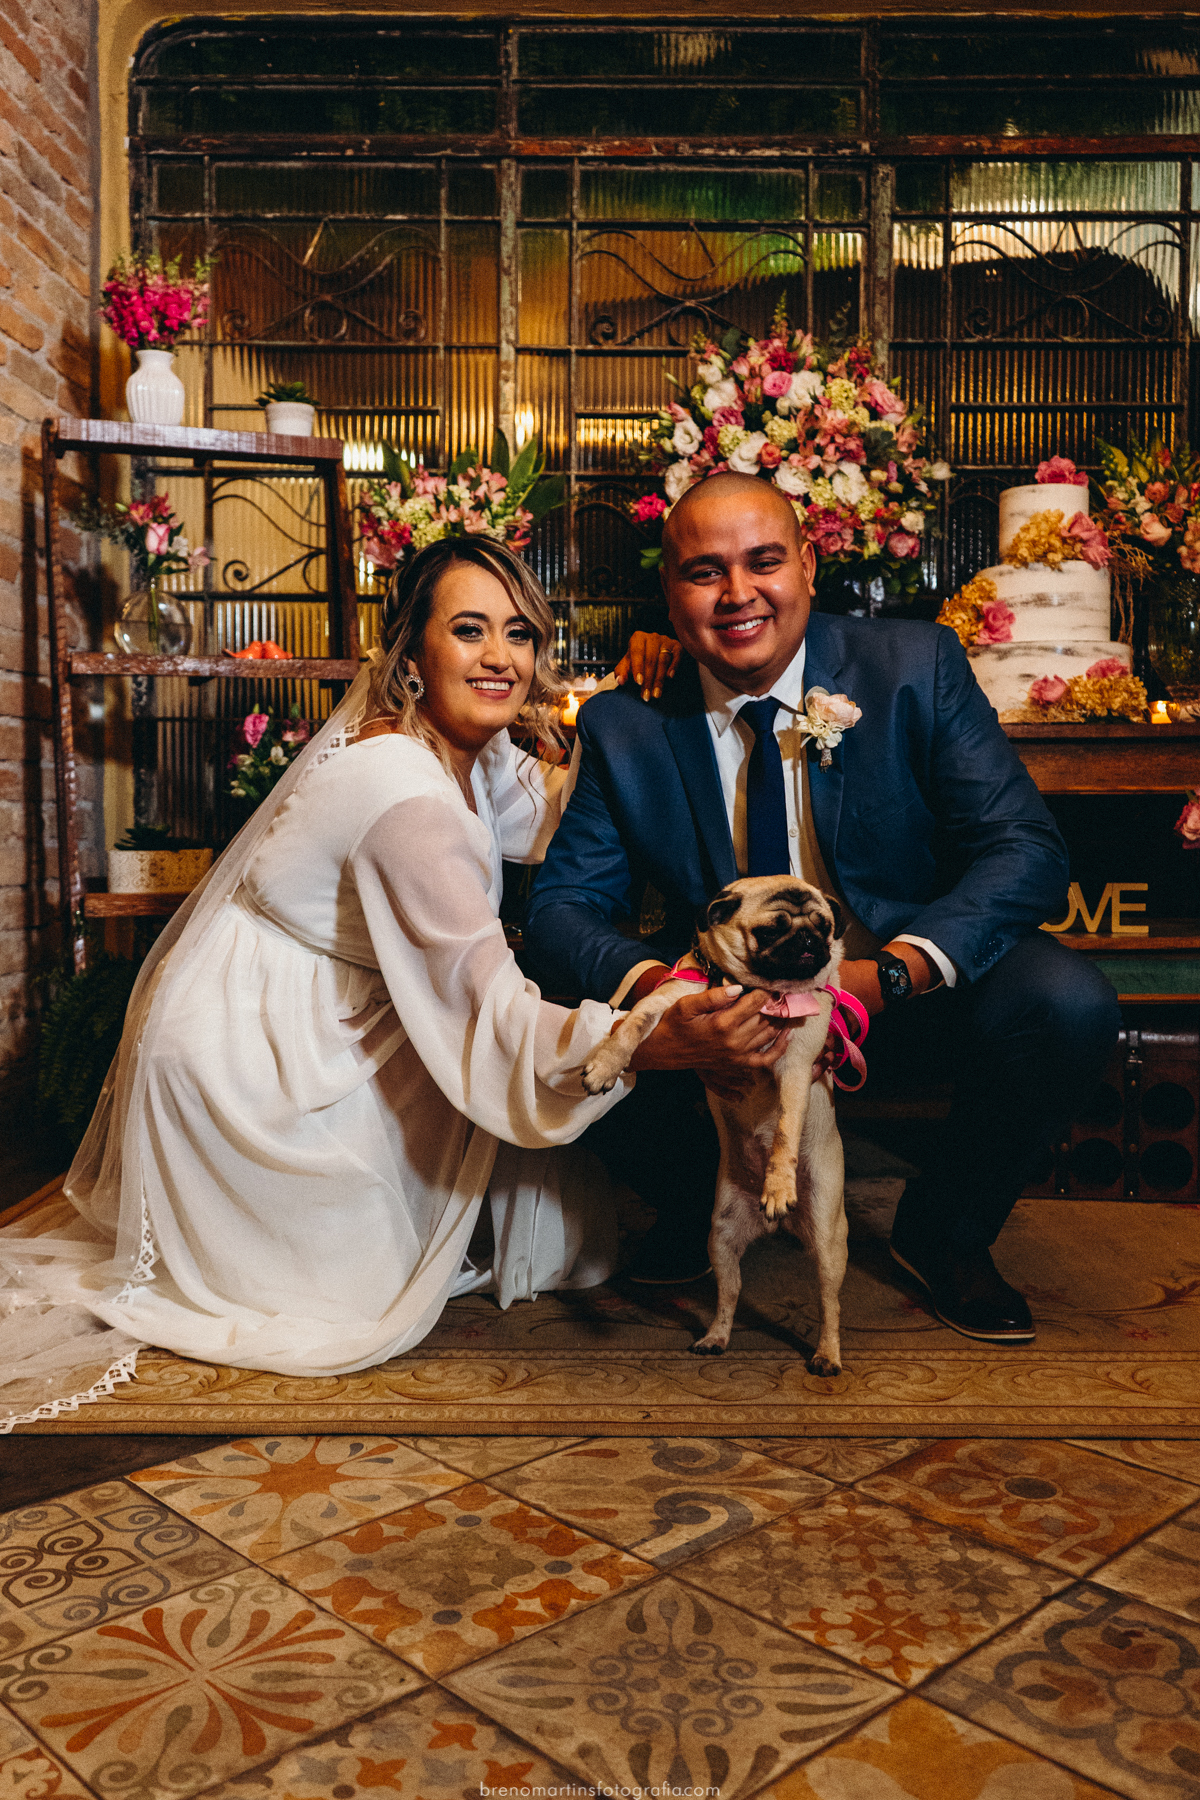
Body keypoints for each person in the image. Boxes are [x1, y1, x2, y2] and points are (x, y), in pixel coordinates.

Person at [0, 541, 697, 1426]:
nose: (500, 658)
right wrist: (641, 1033)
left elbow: (561, 808)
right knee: (347, 1315)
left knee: (562, 1232)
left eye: (519, 634)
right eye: (470, 631)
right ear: (410, 654)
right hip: (254, 1064)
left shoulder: (462, 750)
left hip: (335, 1024)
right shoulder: (401, 791)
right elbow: (491, 1006)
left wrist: (633, 700)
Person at [524, 472, 1121, 1343]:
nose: (738, 594)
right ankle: (692, 1200)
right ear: (669, 591)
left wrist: (898, 972)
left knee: (1067, 1002)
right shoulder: (625, 723)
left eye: (764, 561)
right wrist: (670, 1004)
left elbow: (1025, 848)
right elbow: (563, 908)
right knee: (549, 989)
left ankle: (943, 1232)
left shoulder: (914, 666)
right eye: (704, 572)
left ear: (808, 564)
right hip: (718, 1012)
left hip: (891, 988)